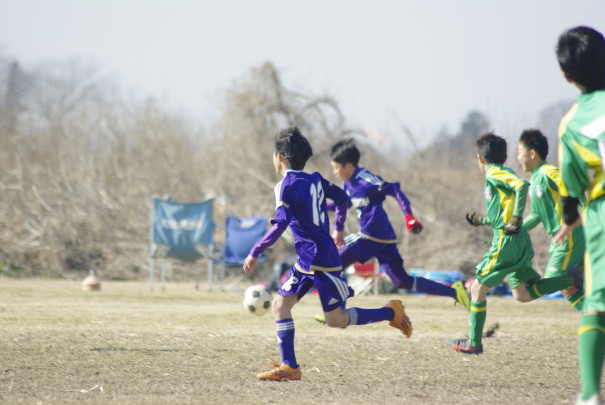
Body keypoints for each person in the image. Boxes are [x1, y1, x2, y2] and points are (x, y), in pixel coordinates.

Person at [243, 126, 412, 381]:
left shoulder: (285, 186)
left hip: (322, 262)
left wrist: (255, 251)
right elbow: (343, 198)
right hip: (309, 260)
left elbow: (280, 224)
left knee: (336, 319)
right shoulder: (315, 179)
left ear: (279, 156)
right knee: (280, 305)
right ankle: (290, 367)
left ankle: (391, 312)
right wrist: (338, 230)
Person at [447, 132, 582, 354]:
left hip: (507, 244)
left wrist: (517, 218)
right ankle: (573, 279)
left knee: (478, 289)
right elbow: (504, 216)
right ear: (506, 156)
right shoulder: (502, 173)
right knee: (522, 294)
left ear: (480, 159)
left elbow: (521, 186)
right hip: (519, 242)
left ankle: (474, 342)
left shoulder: (495, 173)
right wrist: (482, 220)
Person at [325, 139, 470, 311]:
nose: (334, 172)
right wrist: (320, 205)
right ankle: (455, 292)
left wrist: (408, 216)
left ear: (348, 166)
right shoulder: (347, 184)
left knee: (333, 262)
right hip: (383, 239)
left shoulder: (366, 179)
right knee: (401, 281)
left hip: (370, 236)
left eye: (335, 167)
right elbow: (344, 205)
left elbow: (394, 189)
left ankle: (337, 312)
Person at [553, 26, 605, 405]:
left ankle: (589, 394)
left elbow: (570, 189)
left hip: (602, 212)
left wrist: (569, 220)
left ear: (567, 76)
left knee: (596, 303)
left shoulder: (571, 123)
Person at [517, 129, 585, 311]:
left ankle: (578, 276)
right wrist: (515, 228)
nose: (517, 157)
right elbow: (537, 214)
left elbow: (572, 189)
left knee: (553, 281)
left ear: (532, 153)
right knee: (568, 289)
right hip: (564, 237)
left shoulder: (548, 172)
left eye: (519, 152)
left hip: (570, 234)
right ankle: (597, 323)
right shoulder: (535, 181)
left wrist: (580, 214)